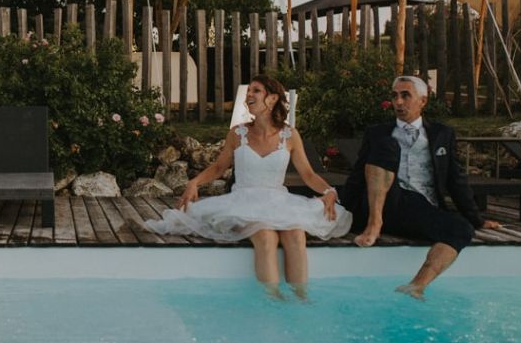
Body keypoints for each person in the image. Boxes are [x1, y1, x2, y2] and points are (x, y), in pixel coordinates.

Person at [145, 75, 352, 298]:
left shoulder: (290, 135)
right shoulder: (237, 133)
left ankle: (301, 298)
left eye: (256, 91)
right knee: (265, 234)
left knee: (295, 234)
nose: (249, 95)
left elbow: (308, 175)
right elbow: (218, 168)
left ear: (272, 99)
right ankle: (273, 298)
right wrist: (194, 182)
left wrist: (329, 191)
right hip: (243, 201)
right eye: (249, 91)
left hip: (278, 200)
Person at [339, 75, 502, 299]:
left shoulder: (441, 134)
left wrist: (477, 219)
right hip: (383, 203)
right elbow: (358, 175)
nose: (398, 102)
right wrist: (343, 210)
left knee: (462, 229)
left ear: (423, 101)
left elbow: (455, 178)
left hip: (419, 210)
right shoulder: (377, 133)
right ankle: (375, 224)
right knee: (387, 146)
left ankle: (416, 285)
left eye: (405, 95)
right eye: (395, 96)